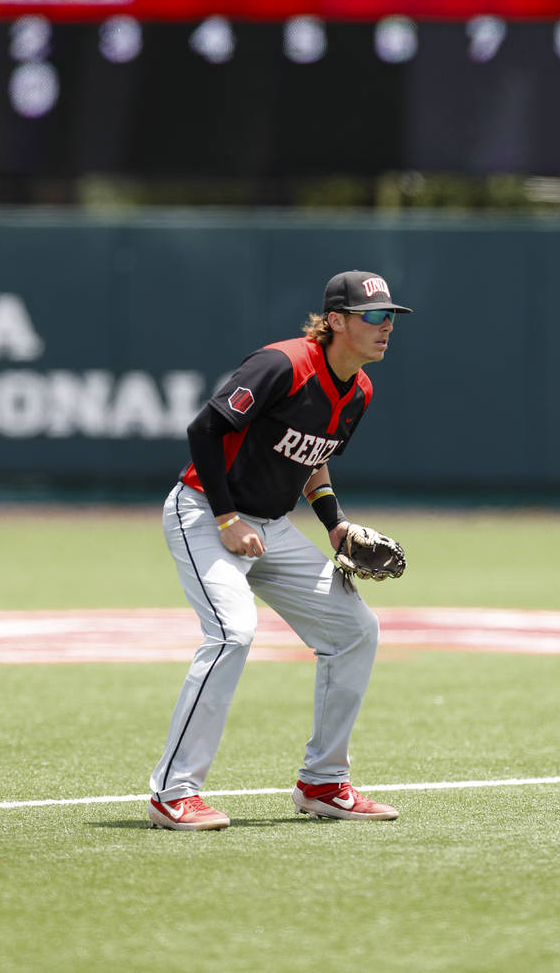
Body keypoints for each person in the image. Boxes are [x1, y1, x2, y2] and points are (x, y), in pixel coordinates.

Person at [148, 269, 413, 830]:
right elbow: (204, 430)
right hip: (202, 510)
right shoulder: (282, 364)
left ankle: (323, 782)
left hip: (271, 525)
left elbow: (312, 457)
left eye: (391, 316)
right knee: (232, 632)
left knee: (354, 630)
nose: (386, 326)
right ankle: (173, 792)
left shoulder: (358, 389)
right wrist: (224, 518)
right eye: (374, 315)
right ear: (336, 321)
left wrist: (335, 524)